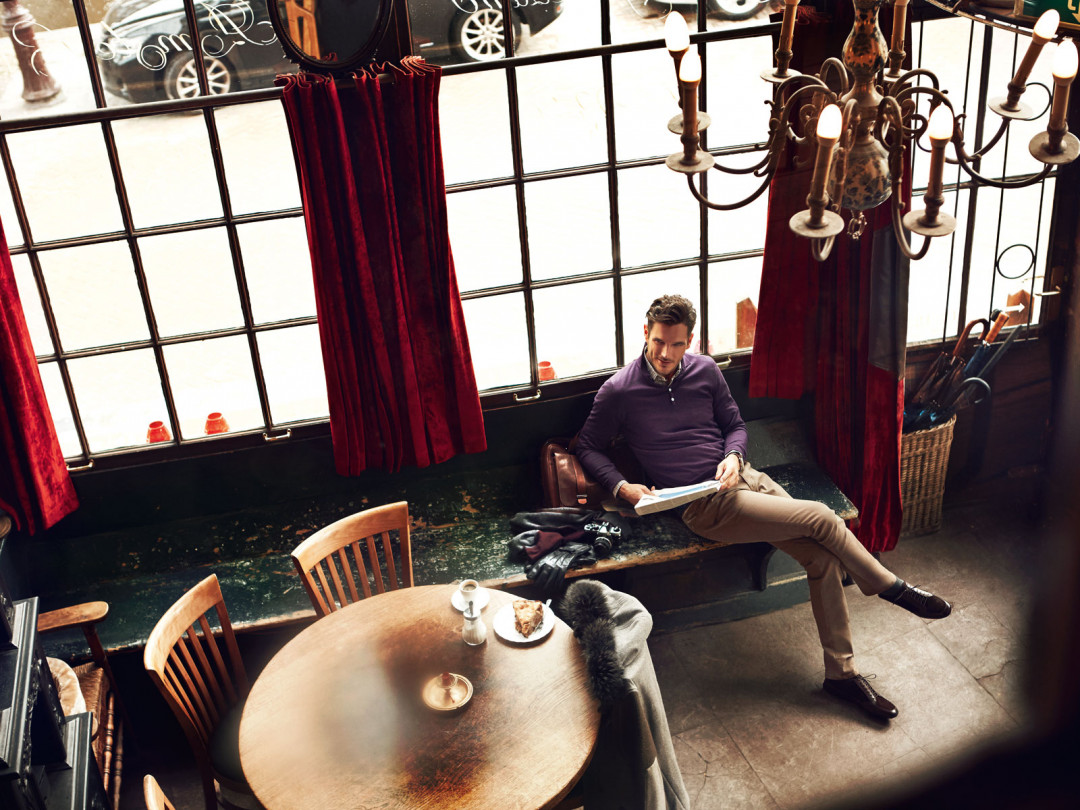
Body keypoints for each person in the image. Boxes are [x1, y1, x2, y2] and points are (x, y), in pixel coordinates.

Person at [575, 294, 952, 721]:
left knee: (823, 559)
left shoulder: (705, 371)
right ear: (646, 333)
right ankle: (890, 586)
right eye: (659, 341)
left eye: (676, 344)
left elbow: (734, 425)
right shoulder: (620, 391)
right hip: (704, 506)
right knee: (822, 517)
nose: (665, 353)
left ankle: (841, 675)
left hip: (749, 481)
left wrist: (733, 457)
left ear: (689, 341)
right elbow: (587, 446)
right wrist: (622, 486)